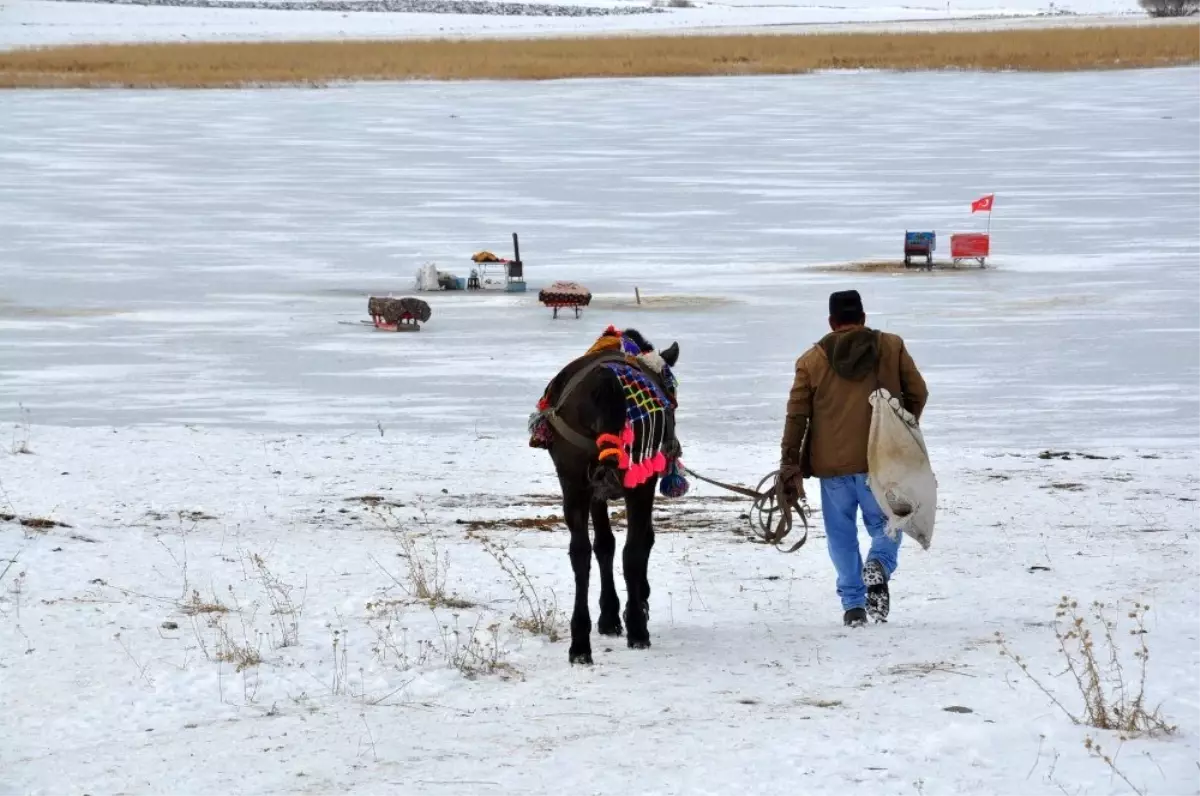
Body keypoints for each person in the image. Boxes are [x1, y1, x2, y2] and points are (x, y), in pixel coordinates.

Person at [778, 290, 928, 627]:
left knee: (841, 535)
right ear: (863, 317)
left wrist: (789, 463)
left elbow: (796, 415)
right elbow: (918, 392)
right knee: (888, 524)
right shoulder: (891, 347)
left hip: (832, 468)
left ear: (831, 322)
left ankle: (853, 606)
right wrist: (900, 429)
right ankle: (879, 564)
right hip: (882, 462)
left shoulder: (810, 360)